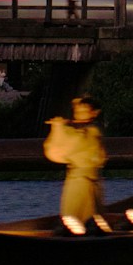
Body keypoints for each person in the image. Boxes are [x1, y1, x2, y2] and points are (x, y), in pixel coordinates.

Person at [44, 95, 106, 224]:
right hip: (75, 180)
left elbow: (73, 145)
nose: (80, 115)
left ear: (94, 113)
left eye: (84, 111)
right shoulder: (75, 131)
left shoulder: (93, 131)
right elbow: (53, 153)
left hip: (86, 181)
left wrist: (58, 128)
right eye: (77, 112)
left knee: (87, 216)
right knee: (73, 216)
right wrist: (58, 128)